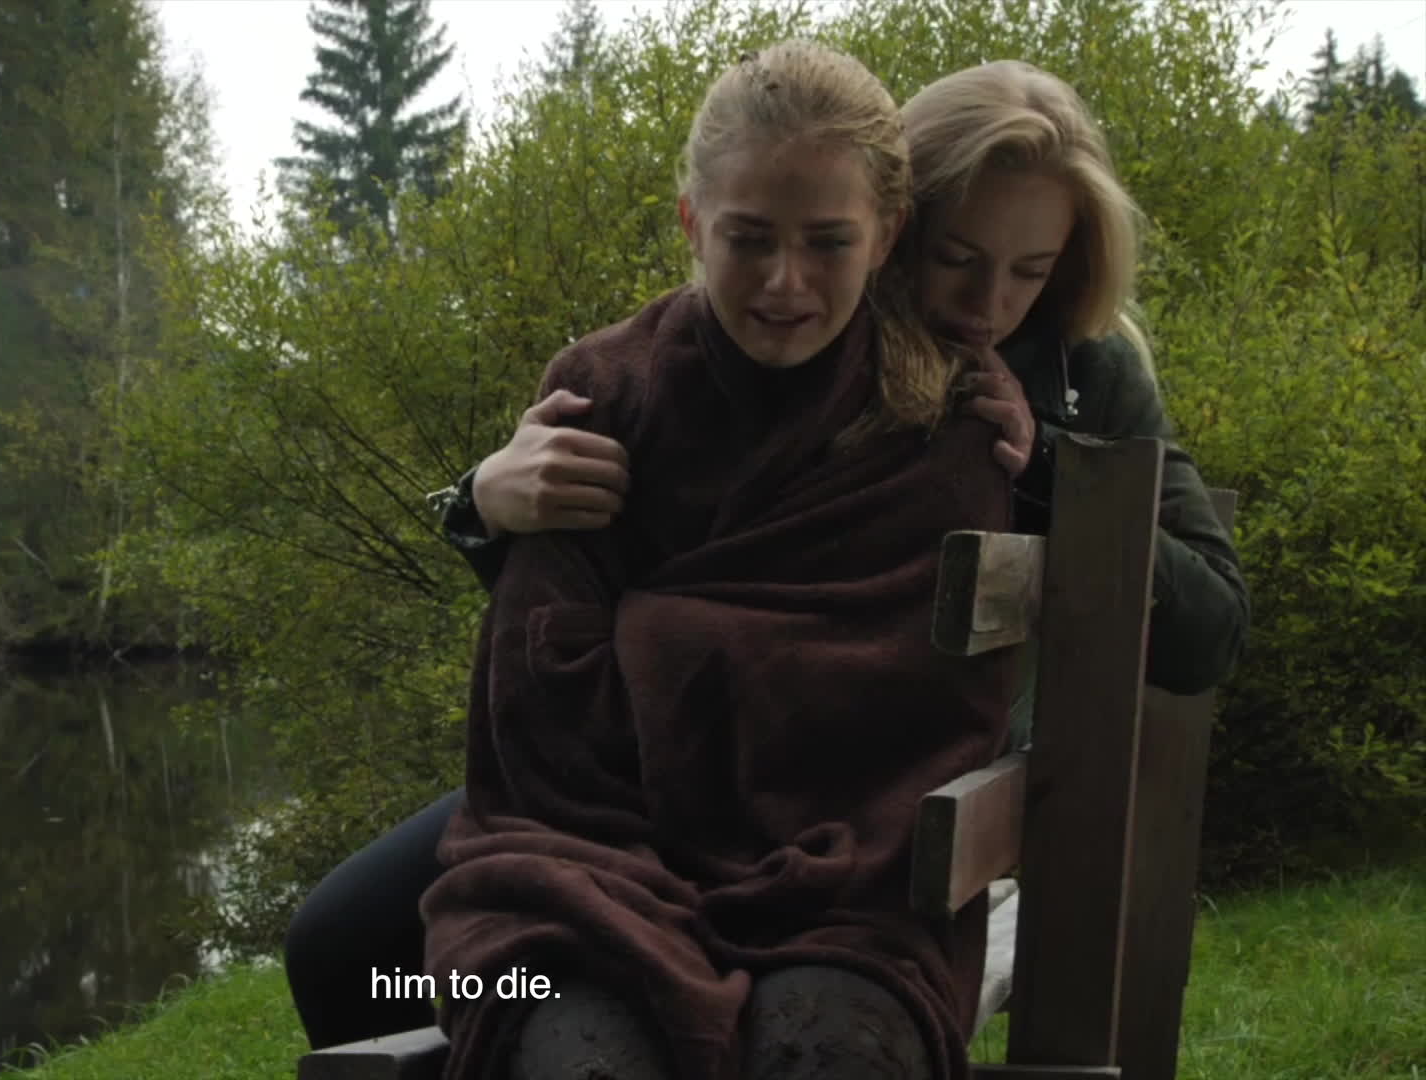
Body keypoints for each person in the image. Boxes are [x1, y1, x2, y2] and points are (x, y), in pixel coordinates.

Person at [284, 56, 1252, 1072]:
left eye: (1031, 268)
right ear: (905, 234)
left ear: (874, 232)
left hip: (868, 782)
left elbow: (1210, 624)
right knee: (348, 951)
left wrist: (1051, 467)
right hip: (641, 766)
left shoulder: (1067, 379)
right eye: (960, 257)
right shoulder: (727, 342)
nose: (989, 303)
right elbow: (582, 602)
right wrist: (483, 500)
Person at [425, 39, 1009, 1080]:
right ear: (694, 222)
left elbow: (923, 714)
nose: (786, 282)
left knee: (826, 1052)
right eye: (748, 238)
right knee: (567, 1049)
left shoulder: (939, 423)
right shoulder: (602, 395)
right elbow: (537, 703)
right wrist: (477, 502)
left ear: (887, 236)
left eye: (828, 242)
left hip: (850, 893)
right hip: (586, 866)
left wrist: (661, 633)